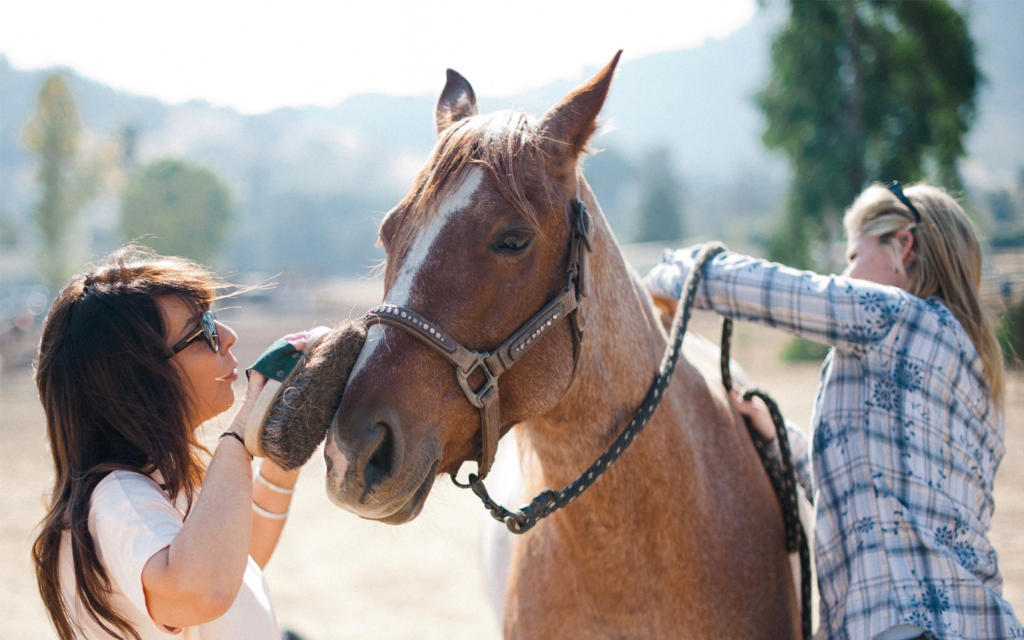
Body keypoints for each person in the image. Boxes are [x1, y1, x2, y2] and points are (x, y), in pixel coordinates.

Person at [646, 183, 1023, 640]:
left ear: (903, 246)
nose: (846, 273)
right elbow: (868, 492)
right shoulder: (976, 371)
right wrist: (778, 433)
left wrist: (665, 277)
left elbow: (779, 292)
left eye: (852, 256)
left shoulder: (893, 318)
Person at [32, 247, 305, 639]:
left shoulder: (152, 483)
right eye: (202, 331)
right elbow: (200, 593)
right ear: (137, 380)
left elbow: (233, 566)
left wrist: (281, 450)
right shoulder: (119, 499)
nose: (228, 336)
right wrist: (239, 437)